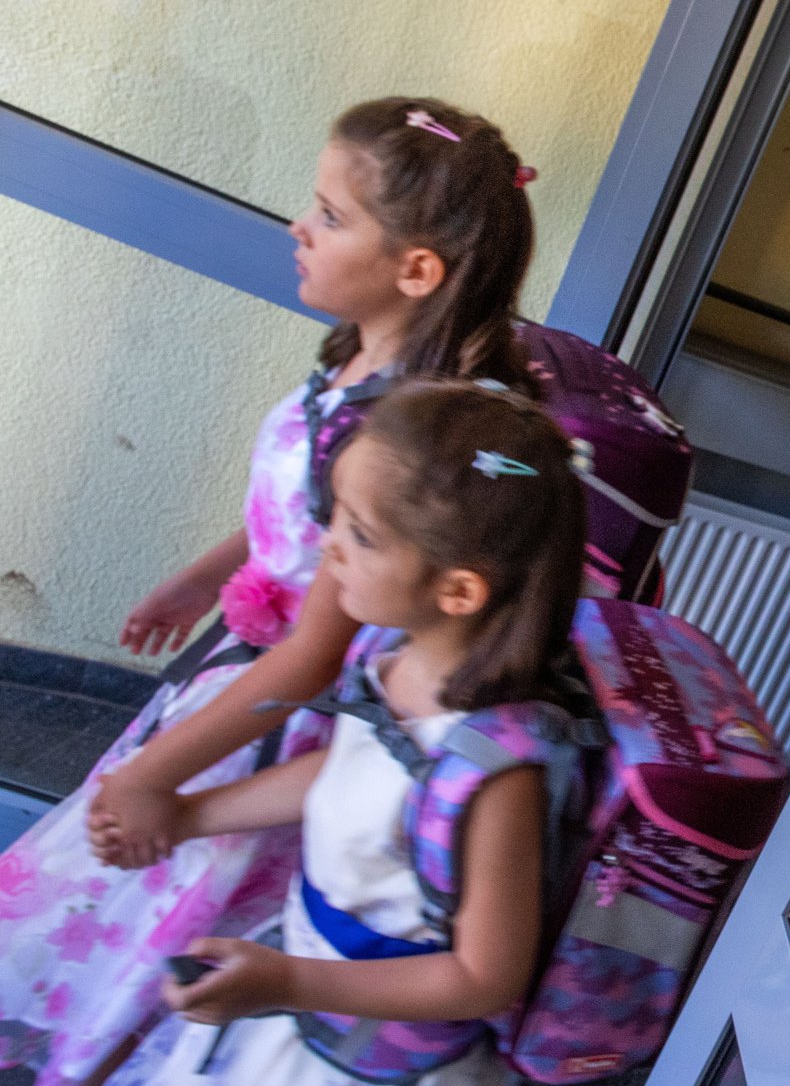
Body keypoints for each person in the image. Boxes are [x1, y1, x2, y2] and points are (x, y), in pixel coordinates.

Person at [0, 97, 537, 1086]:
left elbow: (316, 652)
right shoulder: (361, 362)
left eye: (332, 215)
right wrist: (207, 573)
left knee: (164, 923)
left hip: (281, 717)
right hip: (244, 677)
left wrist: (152, 774)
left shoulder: (407, 425)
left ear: (415, 270)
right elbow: (305, 504)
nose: (301, 224)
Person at [109, 379, 588, 1085]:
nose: (327, 547)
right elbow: (350, 770)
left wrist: (292, 983)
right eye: (335, 516)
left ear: (458, 590)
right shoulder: (393, 654)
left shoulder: (497, 770)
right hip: (297, 1001)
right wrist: (186, 816)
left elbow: (485, 976)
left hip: (367, 1058)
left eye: (359, 534)